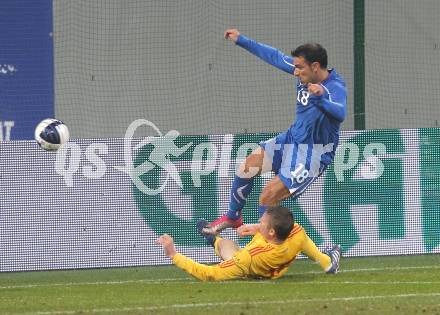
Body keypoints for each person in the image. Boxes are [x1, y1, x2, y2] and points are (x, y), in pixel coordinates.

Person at [203, 29, 347, 235]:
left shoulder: (335, 87)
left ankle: (263, 253)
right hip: (290, 140)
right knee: (247, 167)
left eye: (300, 68)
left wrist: (321, 98)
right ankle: (233, 217)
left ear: (315, 66)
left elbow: (341, 112)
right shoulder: (304, 72)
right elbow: (274, 56)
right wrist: (241, 40)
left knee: (267, 196)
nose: (295, 72)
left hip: (313, 153)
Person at [156, 206, 341, 281]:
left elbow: (209, 274)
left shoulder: (248, 256)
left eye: (262, 222)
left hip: (251, 270)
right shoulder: (296, 232)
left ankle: (212, 239)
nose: (259, 221)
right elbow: (307, 247)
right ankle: (328, 263)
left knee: (226, 246)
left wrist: (173, 254)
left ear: (270, 232)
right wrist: (256, 228)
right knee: (230, 244)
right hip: (276, 266)